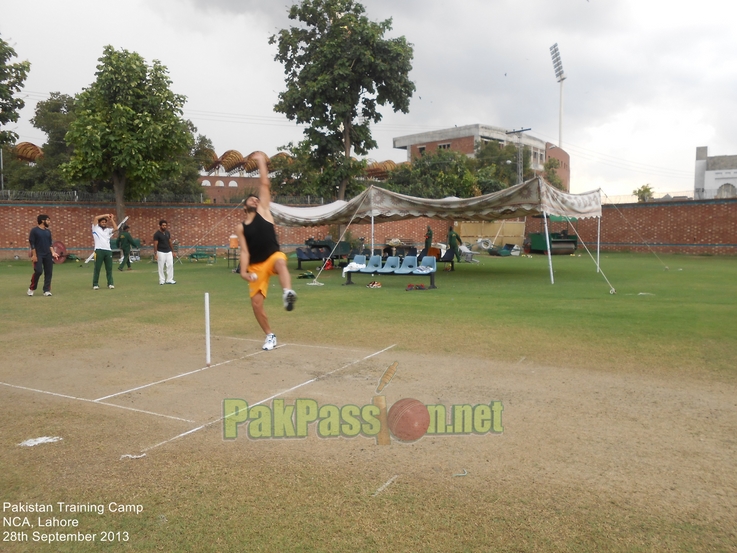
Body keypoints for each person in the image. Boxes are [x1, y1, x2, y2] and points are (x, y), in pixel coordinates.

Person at [236, 151, 297, 351]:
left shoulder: (264, 211)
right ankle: (270, 335)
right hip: (256, 266)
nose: (255, 200)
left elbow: (264, 184)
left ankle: (288, 293)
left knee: (281, 261)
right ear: (244, 206)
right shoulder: (241, 227)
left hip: (272, 257)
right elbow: (244, 251)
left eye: (257, 199)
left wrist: (261, 162)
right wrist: (244, 272)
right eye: (251, 200)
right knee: (256, 304)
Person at [28, 214, 59, 296]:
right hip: (38, 254)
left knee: (49, 272)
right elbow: (32, 244)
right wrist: (34, 255)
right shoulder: (34, 231)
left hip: (47, 254)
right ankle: (32, 288)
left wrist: (53, 252)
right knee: (38, 271)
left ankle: (46, 290)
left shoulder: (48, 232)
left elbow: (50, 244)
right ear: (42, 221)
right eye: (48, 220)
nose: (49, 222)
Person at [92, 213, 117, 290]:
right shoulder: (95, 228)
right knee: (97, 268)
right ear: (99, 223)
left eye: (105, 222)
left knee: (109, 268)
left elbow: (116, 229)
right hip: (99, 250)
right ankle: (95, 284)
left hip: (108, 250)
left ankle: (110, 283)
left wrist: (111, 219)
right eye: (102, 222)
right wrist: (106, 215)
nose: (104, 223)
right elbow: (96, 217)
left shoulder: (107, 230)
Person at [153, 220, 176, 285]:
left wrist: (173, 251)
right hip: (160, 252)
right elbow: (155, 244)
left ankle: (169, 279)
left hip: (168, 251)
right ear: (160, 226)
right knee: (161, 266)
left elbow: (170, 242)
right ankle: (162, 280)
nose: (164, 227)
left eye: (165, 225)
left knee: (170, 265)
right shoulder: (157, 234)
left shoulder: (167, 233)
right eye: (163, 225)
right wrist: (155, 253)